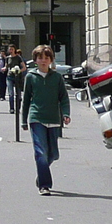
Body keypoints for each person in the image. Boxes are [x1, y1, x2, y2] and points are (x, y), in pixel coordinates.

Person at [20, 44, 71, 195]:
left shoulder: (57, 77)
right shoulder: (30, 77)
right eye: (40, 58)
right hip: (37, 118)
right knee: (40, 152)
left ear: (51, 60)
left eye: (46, 58)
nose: (43, 60)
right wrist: (24, 120)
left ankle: (41, 174)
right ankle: (44, 185)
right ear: (35, 60)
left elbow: (64, 98)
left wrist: (66, 114)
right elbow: (26, 100)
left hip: (54, 119)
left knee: (53, 154)